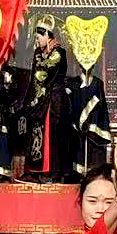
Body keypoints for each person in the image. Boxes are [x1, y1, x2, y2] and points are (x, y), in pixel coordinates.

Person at [17, 14, 69, 182]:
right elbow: (35, 77)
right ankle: (34, 171)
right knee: (36, 135)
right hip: (39, 100)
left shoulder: (59, 53)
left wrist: (40, 58)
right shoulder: (38, 53)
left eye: (38, 37)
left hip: (53, 100)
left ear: (47, 35)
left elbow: (45, 72)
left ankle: (52, 173)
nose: (36, 40)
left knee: (52, 137)